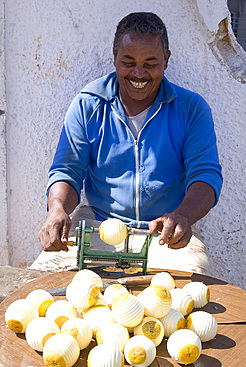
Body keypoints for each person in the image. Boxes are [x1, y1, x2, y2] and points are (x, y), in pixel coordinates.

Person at [39, 12, 223, 257]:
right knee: (53, 280)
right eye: (128, 62)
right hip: (97, 225)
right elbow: (67, 170)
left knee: (187, 290)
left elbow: (206, 175)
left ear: (166, 60)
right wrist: (57, 209)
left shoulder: (191, 108)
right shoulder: (88, 105)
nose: (138, 73)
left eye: (150, 63)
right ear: (114, 58)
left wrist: (183, 216)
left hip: (166, 231)